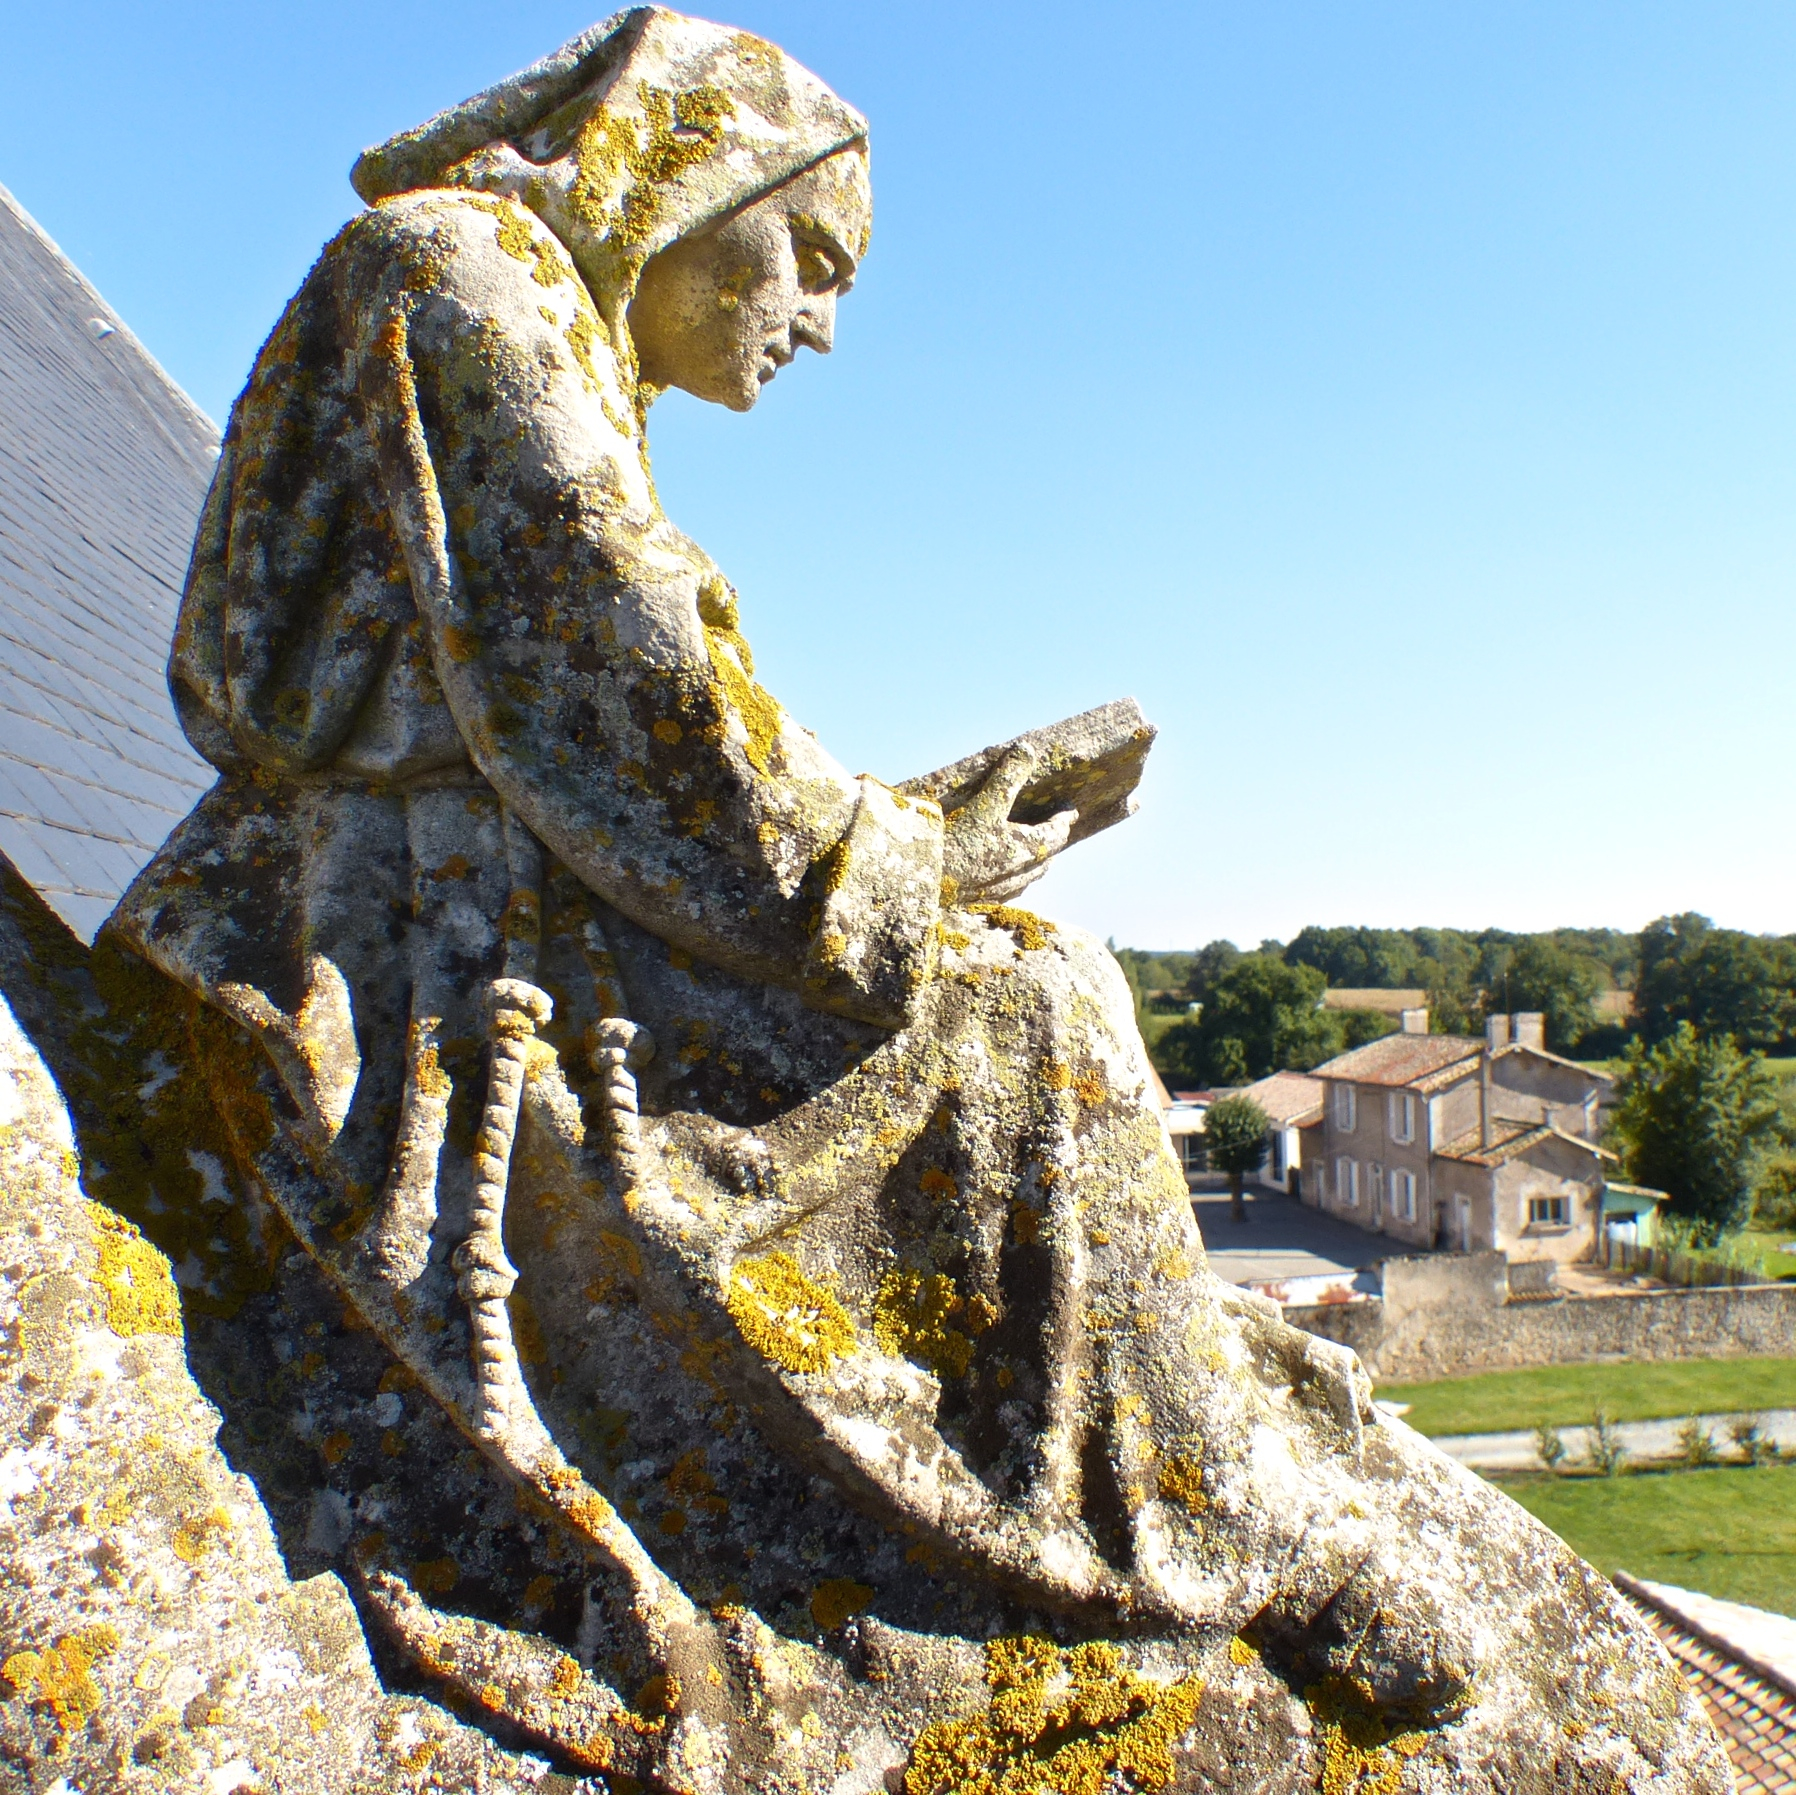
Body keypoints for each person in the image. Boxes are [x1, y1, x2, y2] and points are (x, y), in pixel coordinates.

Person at [108, 12, 1728, 1786]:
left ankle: (1148, 1448)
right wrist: (907, 865)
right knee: (1035, 1003)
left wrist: (926, 822)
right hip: (397, 916)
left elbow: (637, 728)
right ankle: (1202, 1524)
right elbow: (639, 706)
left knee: (1018, 969)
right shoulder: (455, 268)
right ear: (695, 174)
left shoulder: (527, 311)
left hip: (506, 873)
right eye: (810, 257)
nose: (818, 320)